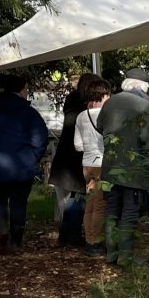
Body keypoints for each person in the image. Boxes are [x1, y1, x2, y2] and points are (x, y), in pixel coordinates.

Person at [0, 72, 50, 253]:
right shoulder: (29, 113)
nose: (28, 92)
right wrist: (33, 157)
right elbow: (40, 138)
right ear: (20, 90)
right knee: (19, 203)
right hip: (22, 167)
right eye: (27, 89)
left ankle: (2, 230)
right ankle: (16, 241)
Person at [96, 68, 149, 265]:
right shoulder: (145, 106)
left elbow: (100, 126)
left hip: (110, 165)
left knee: (112, 209)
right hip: (134, 168)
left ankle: (111, 254)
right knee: (130, 212)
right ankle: (125, 256)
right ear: (144, 86)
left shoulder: (110, 102)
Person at [50, 71, 109, 246]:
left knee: (77, 199)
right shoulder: (92, 112)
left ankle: (69, 235)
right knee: (86, 200)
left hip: (68, 158)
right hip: (86, 158)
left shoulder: (72, 107)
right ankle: (87, 237)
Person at [73, 79, 112, 257]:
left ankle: (89, 238)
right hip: (101, 163)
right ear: (104, 95)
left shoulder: (81, 116)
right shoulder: (107, 115)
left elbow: (78, 145)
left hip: (86, 164)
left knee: (90, 204)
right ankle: (95, 241)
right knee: (100, 206)